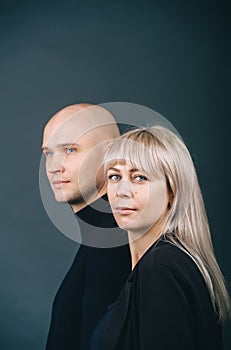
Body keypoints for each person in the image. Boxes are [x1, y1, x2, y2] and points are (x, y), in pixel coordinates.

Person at [91, 125, 231, 350]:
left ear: (172, 192)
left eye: (139, 177)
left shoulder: (160, 268)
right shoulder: (169, 262)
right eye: (115, 176)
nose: (122, 191)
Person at [41, 103, 131, 350]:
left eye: (70, 149)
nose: (53, 167)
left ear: (110, 153)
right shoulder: (103, 237)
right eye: (48, 153)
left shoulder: (114, 242)